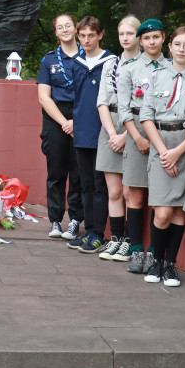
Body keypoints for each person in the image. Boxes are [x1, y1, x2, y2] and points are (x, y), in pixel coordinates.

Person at [139, 26, 185, 287]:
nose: (181, 49)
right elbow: (146, 116)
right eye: (177, 44)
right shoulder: (155, 76)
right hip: (161, 144)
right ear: (170, 46)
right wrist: (165, 152)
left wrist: (179, 152)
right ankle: (155, 258)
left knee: (178, 212)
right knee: (163, 212)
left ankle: (170, 265)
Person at [118, 18, 167, 273]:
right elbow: (123, 109)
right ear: (140, 41)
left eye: (156, 37)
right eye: (146, 38)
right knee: (135, 195)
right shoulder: (128, 68)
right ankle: (136, 250)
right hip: (136, 130)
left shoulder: (172, 68)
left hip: (163, 132)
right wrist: (136, 137)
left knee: (160, 197)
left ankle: (155, 254)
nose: (151, 42)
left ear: (163, 38)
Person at [67, 17, 117, 254]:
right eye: (82, 36)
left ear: (100, 35)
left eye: (91, 35)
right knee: (85, 184)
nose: (86, 40)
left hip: (103, 132)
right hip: (82, 131)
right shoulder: (76, 63)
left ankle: (99, 233)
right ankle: (88, 231)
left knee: (100, 186)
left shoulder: (111, 61)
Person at [36, 14, 85, 240]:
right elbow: (44, 97)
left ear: (76, 29)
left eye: (68, 25)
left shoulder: (89, 57)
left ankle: (75, 221)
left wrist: (77, 119)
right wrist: (64, 122)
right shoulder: (49, 60)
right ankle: (55, 220)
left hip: (83, 115)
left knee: (79, 171)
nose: (64, 29)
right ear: (56, 32)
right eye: (59, 27)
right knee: (56, 171)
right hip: (55, 117)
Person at [98, 16, 141, 262]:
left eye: (130, 33)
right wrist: (113, 134)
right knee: (113, 191)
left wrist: (126, 135)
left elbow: (146, 106)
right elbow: (102, 101)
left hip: (134, 129)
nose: (125, 38)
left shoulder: (147, 64)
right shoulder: (110, 64)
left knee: (128, 192)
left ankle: (131, 243)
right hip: (110, 127)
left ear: (138, 36)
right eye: (122, 33)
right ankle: (116, 240)